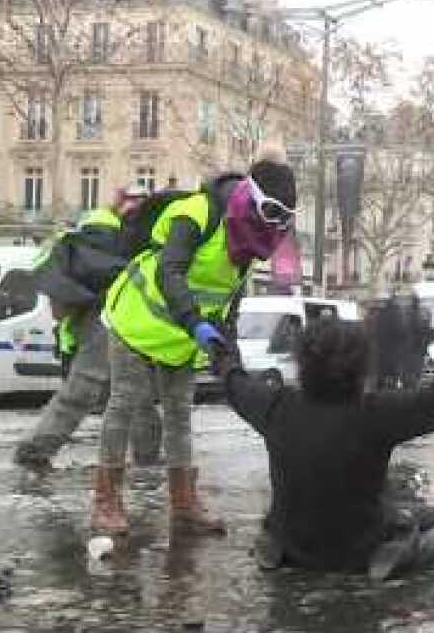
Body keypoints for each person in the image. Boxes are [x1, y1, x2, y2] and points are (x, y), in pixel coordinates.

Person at [214, 306, 434, 581]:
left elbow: (235, 384)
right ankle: (396, 554)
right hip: (361, 547)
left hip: (295, 544)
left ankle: (273, 544)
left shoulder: (276, 406)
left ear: (303, 363)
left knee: (296, 518)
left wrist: (223, 355)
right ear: (361, 367)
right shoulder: (377, 412)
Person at [89, 159, 298, 536]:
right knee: (123, 403)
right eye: (271, 212)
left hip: (181, 336)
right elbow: (170, 272)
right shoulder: (198, 213)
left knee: (179, 414)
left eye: (284, 219)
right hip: (136, 317)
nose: (275, 226)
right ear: (251, 197)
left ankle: (184, 504)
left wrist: (227, 353)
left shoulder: (248, 244)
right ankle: (106, 501)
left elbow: (227, 303)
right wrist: (196, 324)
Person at [14, 187, 163, 473]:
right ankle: (36, 448)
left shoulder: (85, 231)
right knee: (92, 387)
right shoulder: (126, 237)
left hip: (95, 317)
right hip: (111, 317)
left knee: (131, 389)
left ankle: (148, 454)